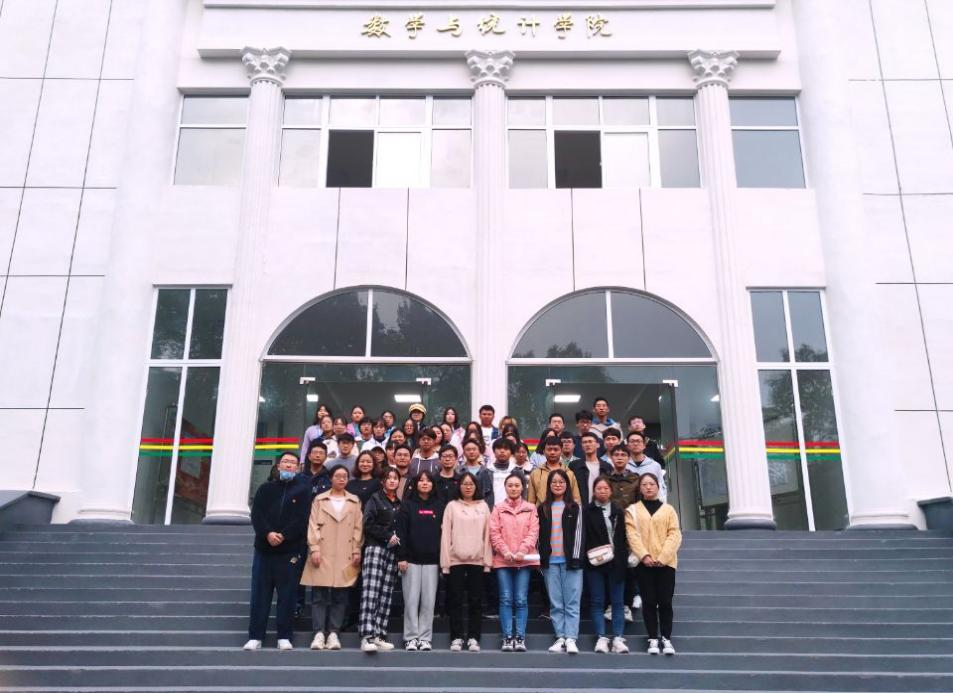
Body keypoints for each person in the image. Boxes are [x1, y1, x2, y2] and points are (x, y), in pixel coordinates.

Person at [245, 452, 310, 651]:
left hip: (289, 551)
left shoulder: (303, 492)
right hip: (264, 550)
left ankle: (284, 636)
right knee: (260, 595)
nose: (288, 465)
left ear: (297, 468)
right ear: (278, 466)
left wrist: (284, 535)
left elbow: (302, 519)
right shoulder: (265, 489)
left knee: (288, 596)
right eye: (285, 462)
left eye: (292, 463)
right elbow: (257, 515)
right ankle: (255, 636)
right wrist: (267, 534)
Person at [300, 465, 363, 651]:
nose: (341, 479)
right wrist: (314, 548)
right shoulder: (320, 499)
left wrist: (357, 550)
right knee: (319, 595)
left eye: (345, 476)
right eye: (338, 476)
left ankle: (334, 632)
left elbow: (358, 528)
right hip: (323, 551)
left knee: (340, 595)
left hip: (345, 552)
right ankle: (319, 633)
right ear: (331, 478)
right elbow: (313, 525)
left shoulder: (354, 501)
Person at [625, 473, 681, 656]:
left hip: (667, 564)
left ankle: (666, 637)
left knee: (665, 601)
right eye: (644, 484)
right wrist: (644, 555)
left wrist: (663, 557)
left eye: (652, 484)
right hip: (644, 564)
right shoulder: (633, 510)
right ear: (640, 488)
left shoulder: (669, 510)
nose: (648, 487)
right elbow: (632, 535)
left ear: (658, 487)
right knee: (648, 602)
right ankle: (652, 638)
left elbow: (674, 534)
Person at [440, 472, 493, 652]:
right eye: (464, 483)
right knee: (455, 600)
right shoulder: (451, 506)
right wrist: (445, 563)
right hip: (455, 560)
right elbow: (446, 535)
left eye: (471, 484)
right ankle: (456, 637)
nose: (468, 487)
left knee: (475, 601)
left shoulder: (483, 506)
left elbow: (488, 535)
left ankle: (473, 637)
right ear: (459, 486)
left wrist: (487, 562)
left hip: (477, 560)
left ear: (476, 486)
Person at [537, 469, 585, 654]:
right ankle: (560, 637)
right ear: (549, 485)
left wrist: (576, 559)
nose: (558, 485)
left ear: (567, 485)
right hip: (550, 562)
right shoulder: (543, 508)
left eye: (561, 482)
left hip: (571, 562)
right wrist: (542, 559)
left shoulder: (575, 507)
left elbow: (579, 535)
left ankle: (571, 638)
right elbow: (539, 536)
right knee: (556, 603)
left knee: (572, 602)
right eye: (554, 482)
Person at [489, 473, 539, 652]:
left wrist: (522, 551)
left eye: (517, 485)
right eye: (510, 485)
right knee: (506, 598)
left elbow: (533, 532)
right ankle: (507, 637)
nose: (513, 488)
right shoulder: (498, 508)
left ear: (523, 487)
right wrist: (506, 551)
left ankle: (520, 637)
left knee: (521, 599)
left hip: (523, 561)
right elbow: (494, 533)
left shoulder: (531, 508)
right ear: (505, 487)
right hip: (504, 560)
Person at [396, 470, 444, 651]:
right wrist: (401, 556)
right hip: (411, 561)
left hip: (433, 561)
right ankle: (410, 637)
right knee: (411, 601)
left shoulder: (440, 506)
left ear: (433, 484)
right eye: (421, 480)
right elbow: (401, 533)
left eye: (428, 480)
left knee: (428, 602)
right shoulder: (407, 505)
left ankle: (425, 638)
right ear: (415, 484)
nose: (425, 483)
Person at [584, 476, 629, 654]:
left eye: (605, 488)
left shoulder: (618, 510)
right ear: (594, 491)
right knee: (597, 601)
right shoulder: (587, 511)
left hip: (616, 562)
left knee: (618, 602)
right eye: (599, 488)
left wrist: (624, 559)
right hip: (595, 562)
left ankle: (618, 638)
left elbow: (624, 537)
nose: (602, 491)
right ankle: (601, 637)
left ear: (611, 490)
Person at [358, 468, 402, 653]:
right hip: (375, 547)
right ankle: (367, 635)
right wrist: (386, 535)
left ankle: (379, 634)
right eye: (388, 478)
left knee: (386, 593)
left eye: (395, 478)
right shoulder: (375, 499)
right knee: (371, 592)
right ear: (383, 481)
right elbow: (367, 523)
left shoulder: (400, 503)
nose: (392, 481)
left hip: (393, 551)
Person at [527, 436, 581, 505]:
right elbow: (531, 501)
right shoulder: (535, 474)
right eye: (549, 449)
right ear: (544, 451)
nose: (552, 452)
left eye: (556, 449)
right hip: (541, 511)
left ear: (561, 451)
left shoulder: (569, 473)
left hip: (565, 511)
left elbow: (576, 499)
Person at [570, 432, 612, 506]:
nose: (587, 444)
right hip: (581, 507)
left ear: (598, 444)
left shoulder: (606, 467)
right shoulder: (574, 466)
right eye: (584, 442)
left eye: (590, 441)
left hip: (602, 506)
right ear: (581, 446)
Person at [626, 432, 666, 500]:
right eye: (632, 441)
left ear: (644, 445)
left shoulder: (655, 466)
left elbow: (661, 490)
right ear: (627, 446)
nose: (635, 444)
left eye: (638, 441)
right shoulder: (623, 465)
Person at [458, 438, 494, 505]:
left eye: (474, 449)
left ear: (479, 451)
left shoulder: (487, 472)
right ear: (464, 452)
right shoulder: (458, 471)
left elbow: (490, 496)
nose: (471, 452)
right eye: (468, 450)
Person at [488, 438, 520, 510]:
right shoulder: (487, 471)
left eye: (506, 449)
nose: (502, 451)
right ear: (494, 451)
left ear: (511, 453)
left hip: (512, 510)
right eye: (499, 448)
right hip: (491, 510)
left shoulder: (517, 471)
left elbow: (523, 494)